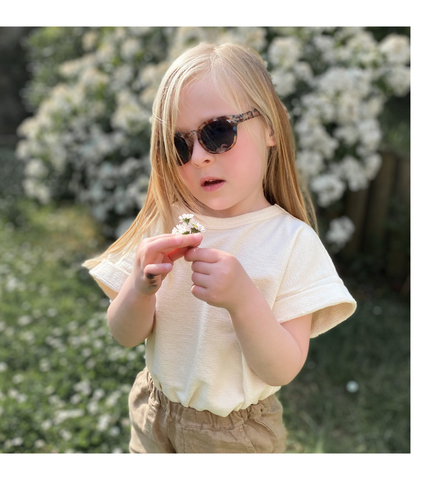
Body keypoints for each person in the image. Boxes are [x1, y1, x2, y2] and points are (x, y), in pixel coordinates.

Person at [83, 43, 356, 453]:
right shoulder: (167, 222)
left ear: (270, 128)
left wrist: (244, 301)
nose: (198, 158)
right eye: (179, 145)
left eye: (217, 133)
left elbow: (282, 368)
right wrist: (139, 288)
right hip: (154, 414)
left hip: (235, 437)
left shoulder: (292, 243)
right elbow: (124, 334)